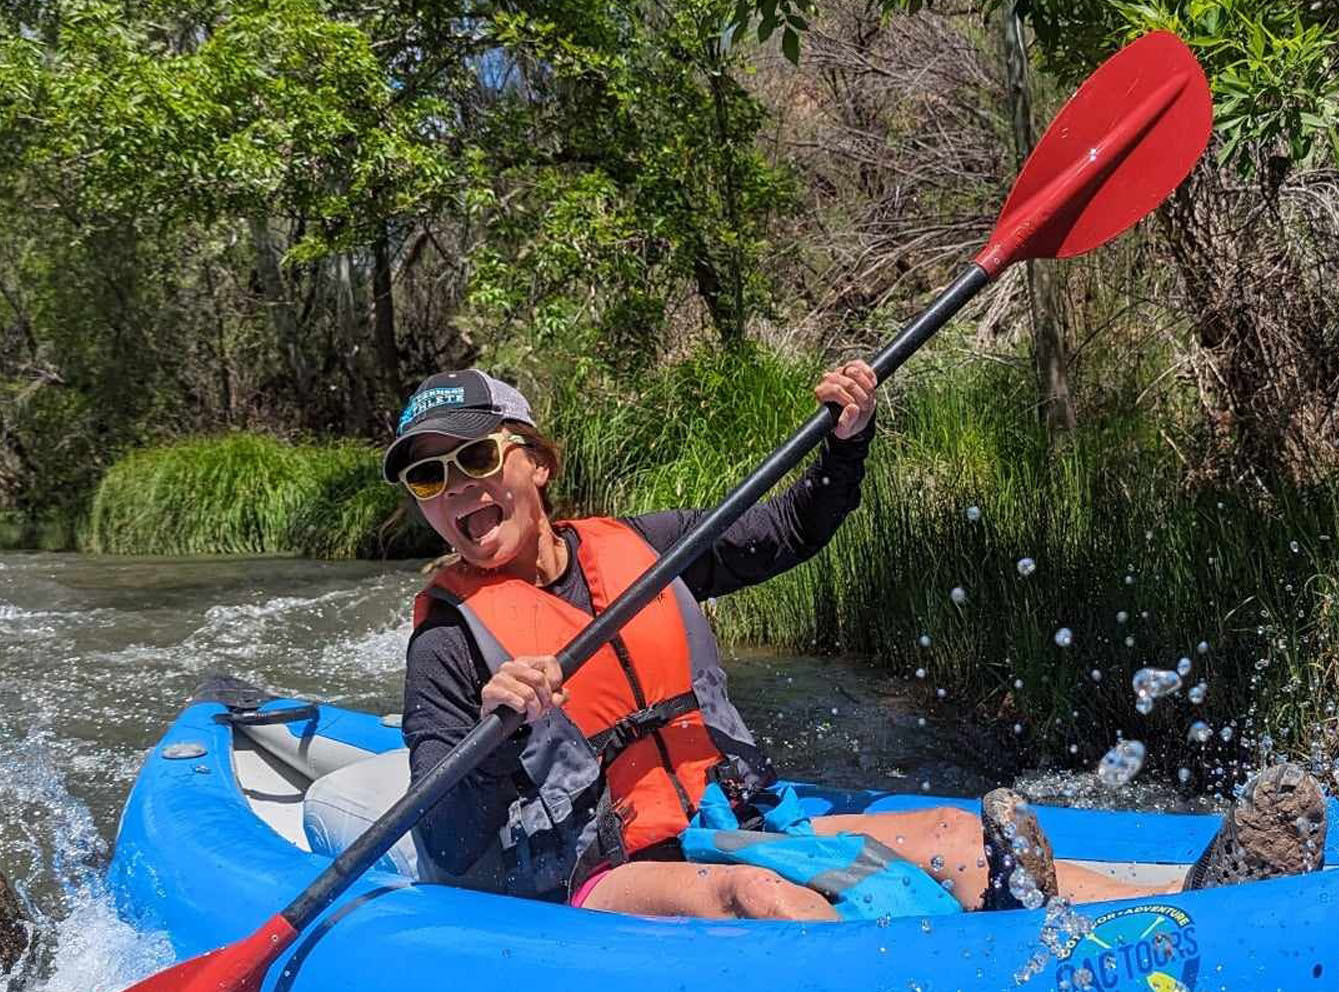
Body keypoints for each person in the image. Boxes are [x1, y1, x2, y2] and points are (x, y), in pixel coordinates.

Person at [388, 366, 1156, 921]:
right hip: (599, 873)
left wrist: (846, 445)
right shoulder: (448, 642)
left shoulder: (643, 547)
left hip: (733, 823)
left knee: (957, 834)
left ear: (537, 463)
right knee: (755, 893)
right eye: (428, 478)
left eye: (476, 459)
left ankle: (1191, 908)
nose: (456, 488)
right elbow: (445, 842)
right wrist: (495, 734)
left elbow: (788, 529)